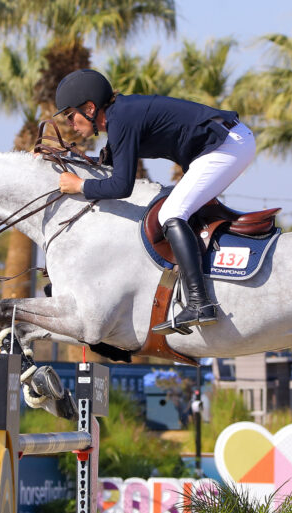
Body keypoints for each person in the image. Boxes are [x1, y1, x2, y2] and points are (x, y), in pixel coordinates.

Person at [52, 69, 257, 334]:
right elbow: (106, 165)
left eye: (71, 115)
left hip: (227, 146)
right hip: (225, 144)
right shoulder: (120, 116)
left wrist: (80, 185)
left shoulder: (122, 119)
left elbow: (121, 186)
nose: (70, 123)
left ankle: (199, 303)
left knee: (171, 212)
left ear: (90, 108)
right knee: (174, 208)